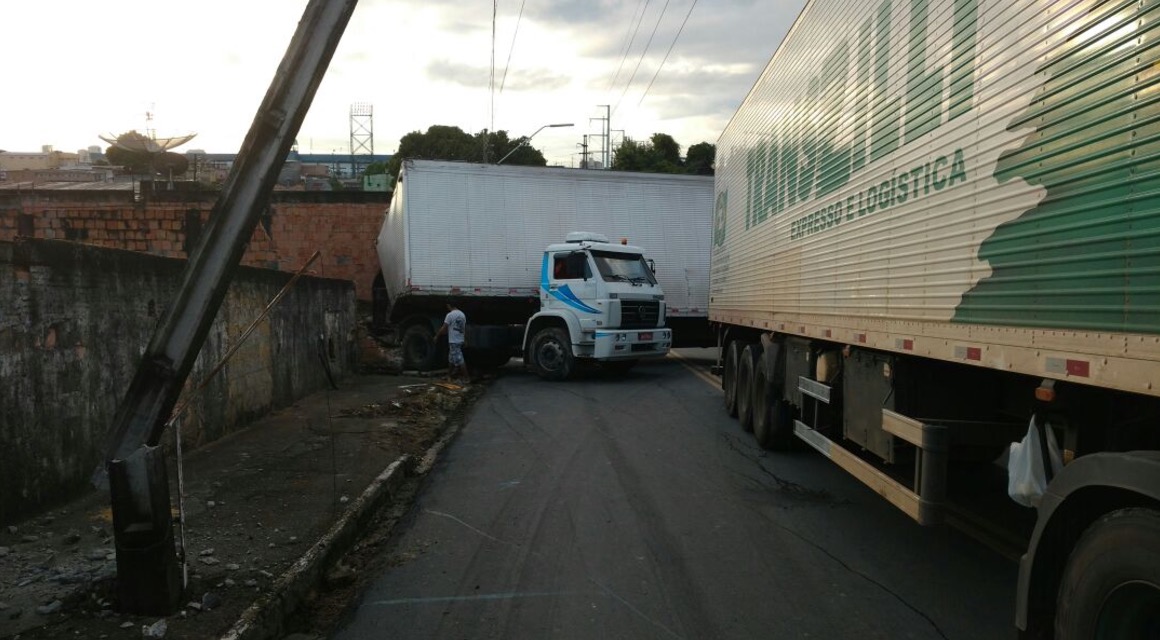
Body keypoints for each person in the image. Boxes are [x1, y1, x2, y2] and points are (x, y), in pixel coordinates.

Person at [433, 301, 469, 383]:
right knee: (451, 358)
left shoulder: (450, 315)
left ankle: (466, 378)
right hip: (459, 339)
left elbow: (444, 327)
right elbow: (463, 329)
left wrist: (437, 336)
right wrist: (465, 339)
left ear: (449, 305)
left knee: (460, 360)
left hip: (454, 341)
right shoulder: (462, 314)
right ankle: (449, 376)